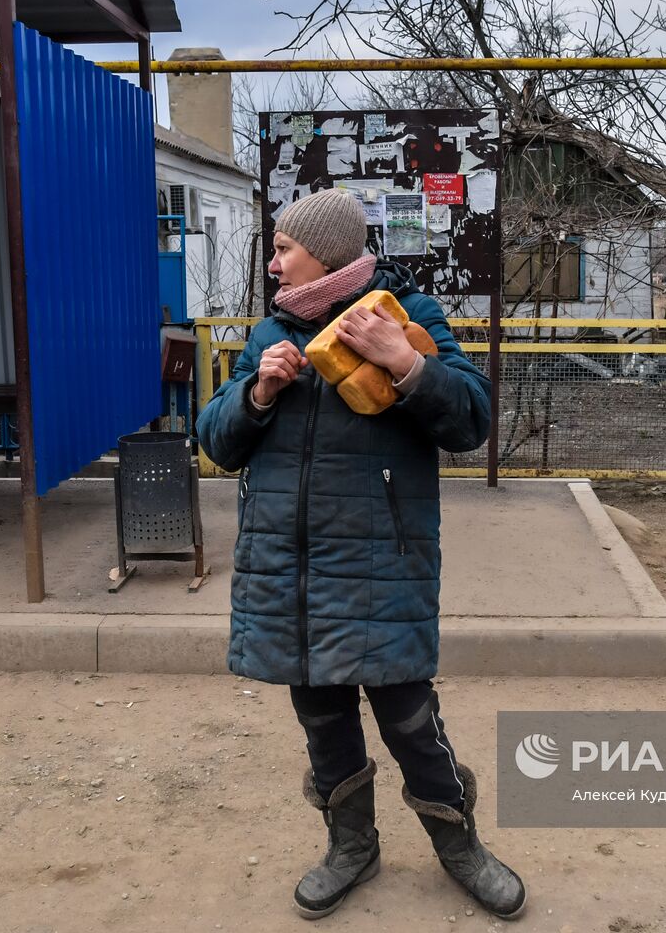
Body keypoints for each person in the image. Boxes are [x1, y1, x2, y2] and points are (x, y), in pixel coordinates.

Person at [196, 187, 526, 920]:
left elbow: (471, 419)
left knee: (411, 721)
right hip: (290, 573)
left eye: (284, 248)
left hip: (383, 565)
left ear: (329, 254)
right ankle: (353, 846)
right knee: (324, 722)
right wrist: (257, 390)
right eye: (276, 249)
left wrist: (406, 364)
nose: (274, 264)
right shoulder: (271, 331)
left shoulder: (406, 313)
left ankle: (459, 846)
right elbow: (214, 441)